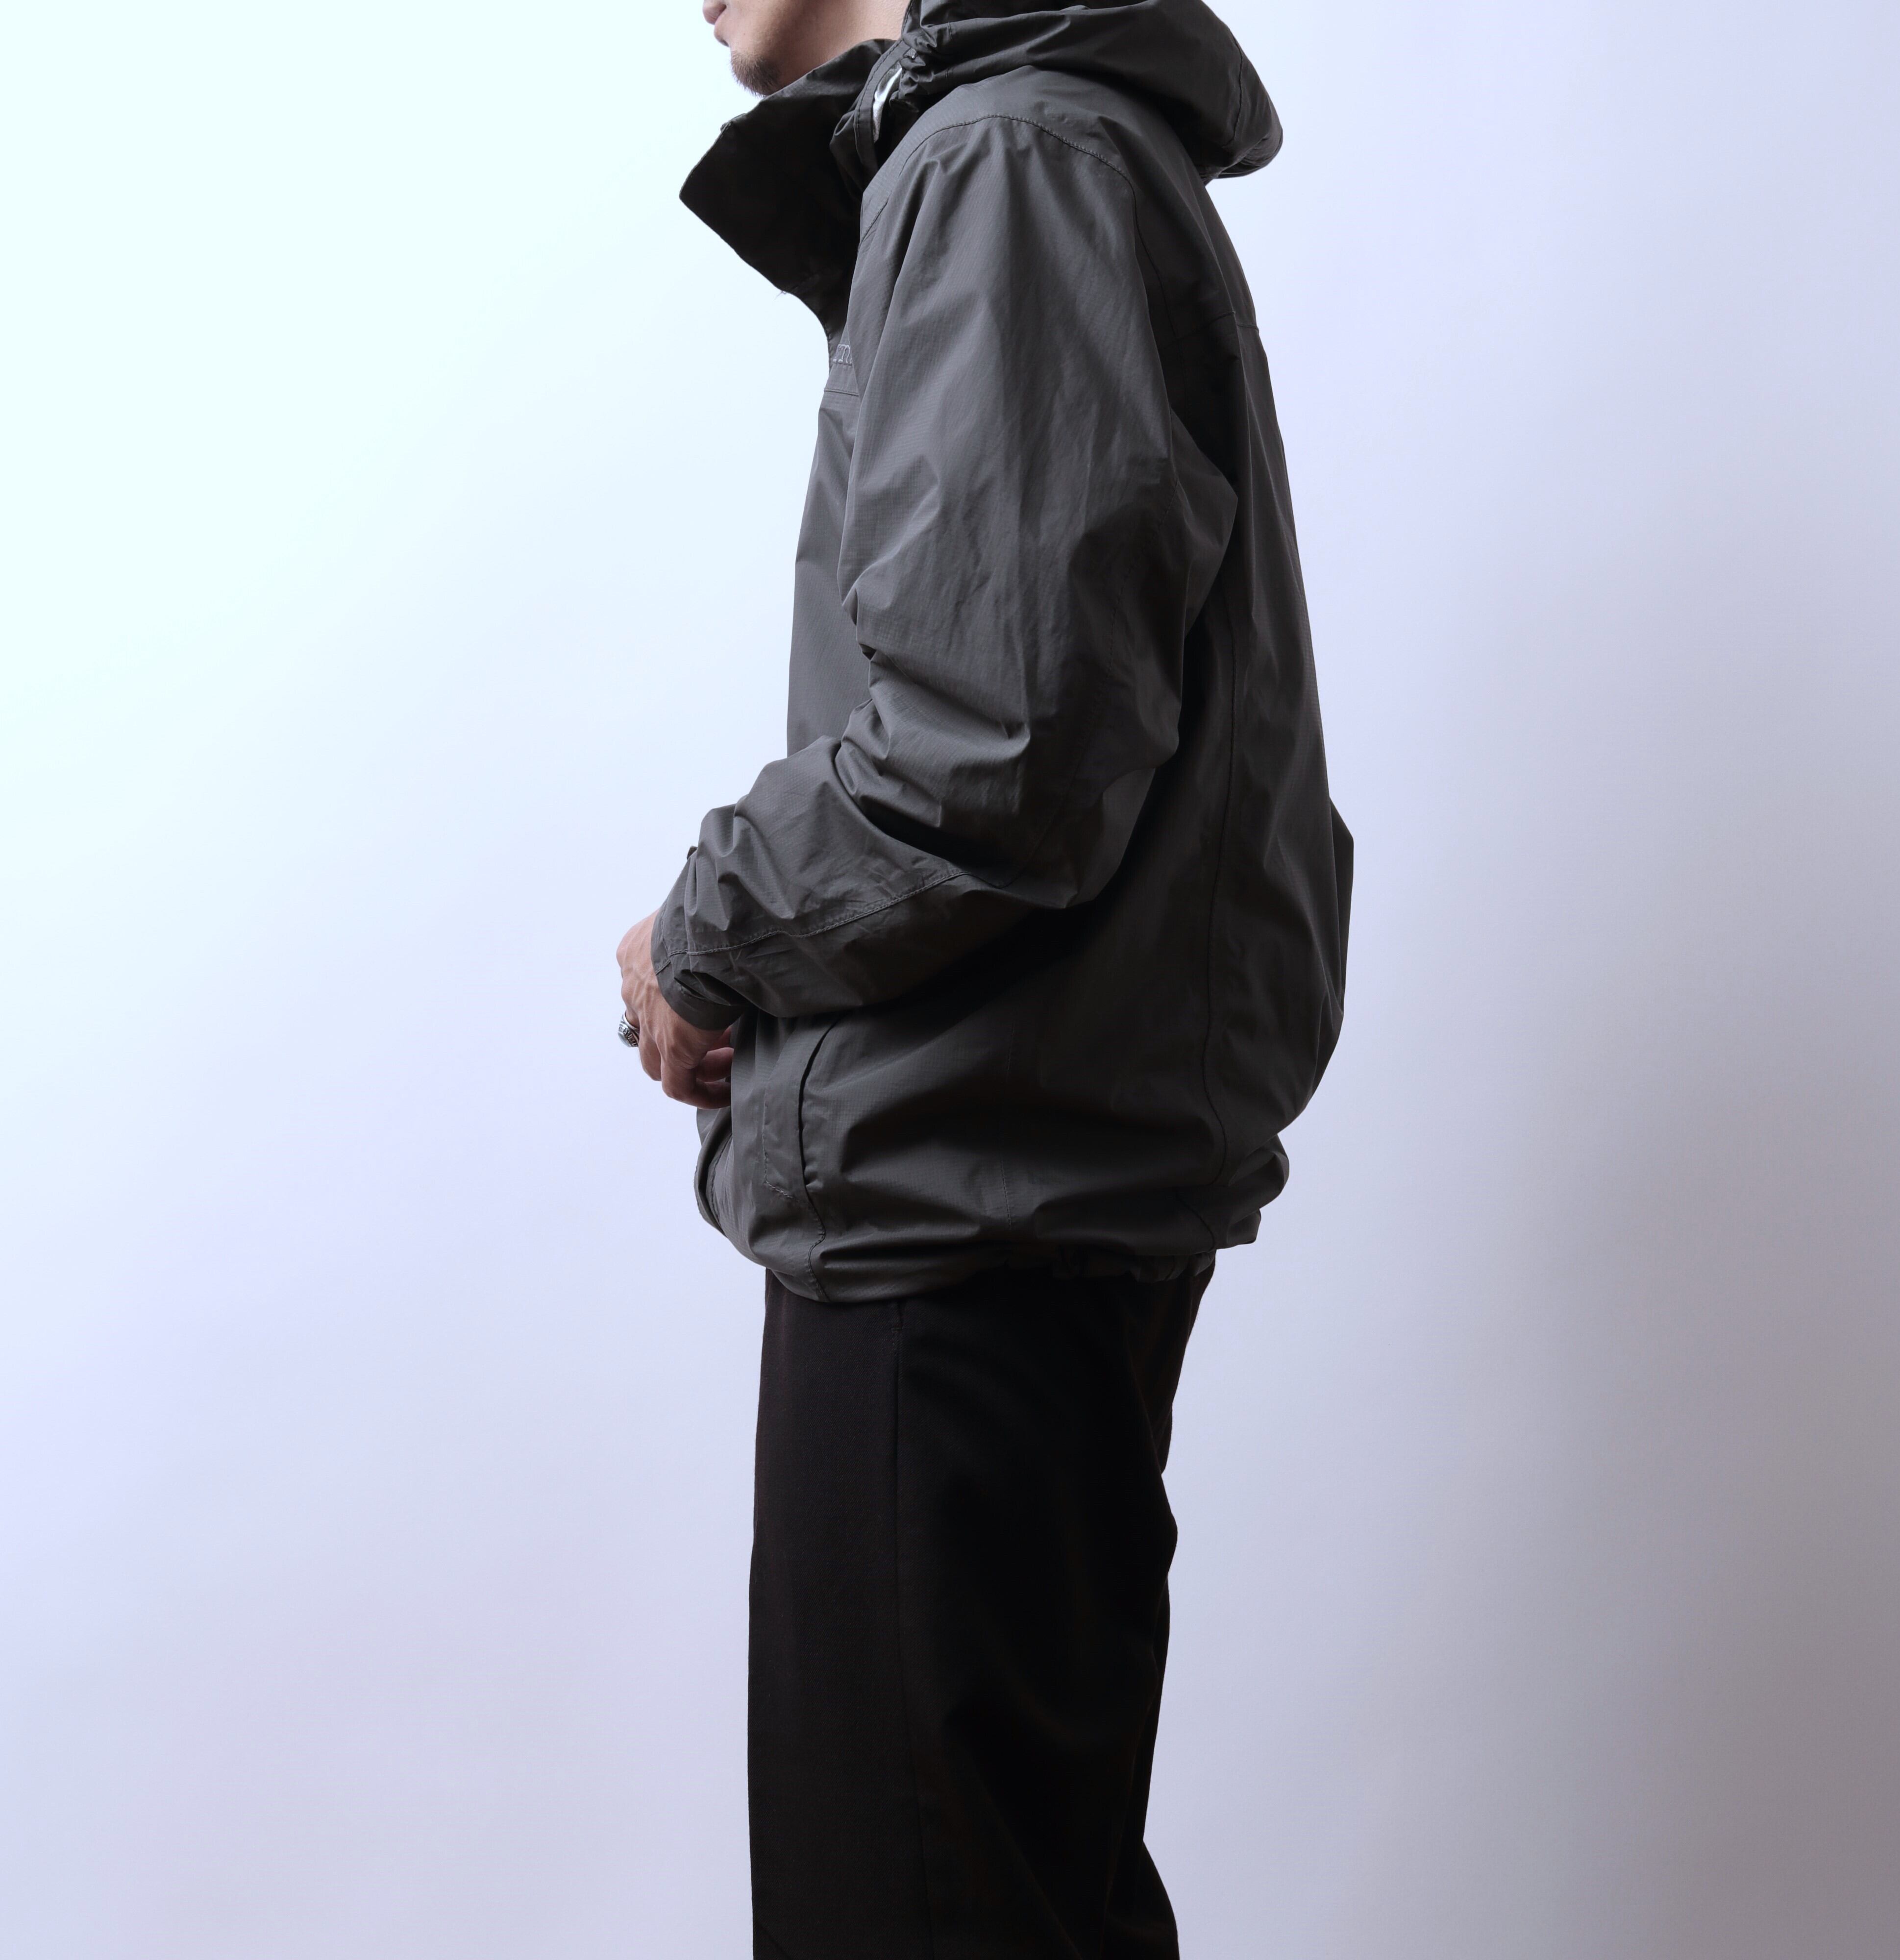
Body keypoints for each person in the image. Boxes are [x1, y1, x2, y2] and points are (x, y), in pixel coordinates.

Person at [616, 0, 1351, 1952]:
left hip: (962, 1213)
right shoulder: (1017, 153)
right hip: (989, 1190)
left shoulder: (1008, 159)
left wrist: (700, 934)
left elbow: (991, 754)